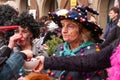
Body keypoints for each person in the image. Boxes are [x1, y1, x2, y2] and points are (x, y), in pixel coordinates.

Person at [39, 5, 103, 80]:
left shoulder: (93, 53)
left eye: (70, 26)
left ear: (82, 31)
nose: (64, 31)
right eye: (63, 26)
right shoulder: (60, 48)